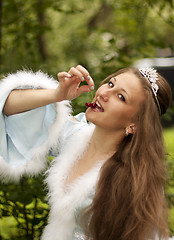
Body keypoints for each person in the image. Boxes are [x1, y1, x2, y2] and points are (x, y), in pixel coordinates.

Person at [0, 65, 173, 240]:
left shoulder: (134, 180)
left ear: (134, 124)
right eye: (111, 84)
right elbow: (7, 109)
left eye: (121, 97)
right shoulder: (74, 134)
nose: (104, 94)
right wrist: (57, 95)